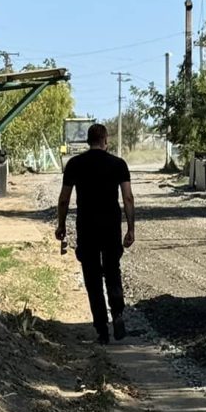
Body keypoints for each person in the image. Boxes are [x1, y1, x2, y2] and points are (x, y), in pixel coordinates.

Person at [56, 123, 135, 344]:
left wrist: (61, 225)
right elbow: (128, 197)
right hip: (110, 226)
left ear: (88, 140)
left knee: (92, 278)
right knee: (112, 270)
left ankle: (102, 330)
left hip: (87, 227)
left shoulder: (75, 164)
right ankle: (117, 313)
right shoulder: (118, 164)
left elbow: (64, 199)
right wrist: (131, 228)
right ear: (105, 140)